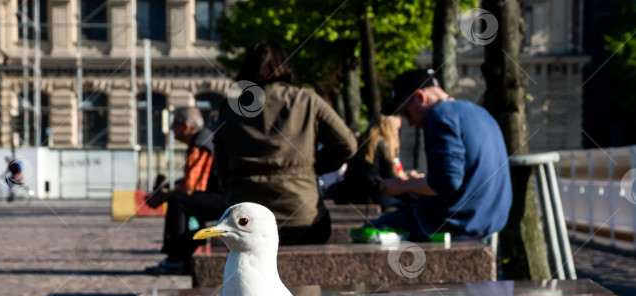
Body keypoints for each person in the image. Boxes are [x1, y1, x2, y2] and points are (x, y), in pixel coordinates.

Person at [213, 41, 357, 245]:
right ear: (286, 66)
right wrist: (313, 167)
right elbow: (348, 145)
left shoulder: (229, 108)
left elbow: (221, 164)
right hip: (303, 217)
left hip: (245, 223)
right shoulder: (306, 99)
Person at [369, 68, 512, 240]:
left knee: (371, 230)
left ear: (420, 97)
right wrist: (417, 190)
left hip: (457, 222)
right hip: (491, 220)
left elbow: (448, 181)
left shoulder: (439, 114)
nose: (410, 122)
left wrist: (403, 185)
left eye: (406, 113)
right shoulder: (480, 112)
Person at [144, 107, 227, 275]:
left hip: (223, 199)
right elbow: (190, 181)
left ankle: (175, 260)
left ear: (186, 126)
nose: (171, 128)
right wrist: (168, 188)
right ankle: (187, 257)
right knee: (184, 202)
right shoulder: (202, 139)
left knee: (178, 202)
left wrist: (162, 197)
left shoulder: (199, 145)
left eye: (174, 124)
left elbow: (189, 188)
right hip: (220, 195)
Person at [327, 115, 410, 206]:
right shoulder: (384, 145)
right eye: (397, 128)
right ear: (390, 127)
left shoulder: (361, 141)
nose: (398, 132)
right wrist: (409, 181)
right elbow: (390, 178)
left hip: (352, 195)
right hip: (374, 199)